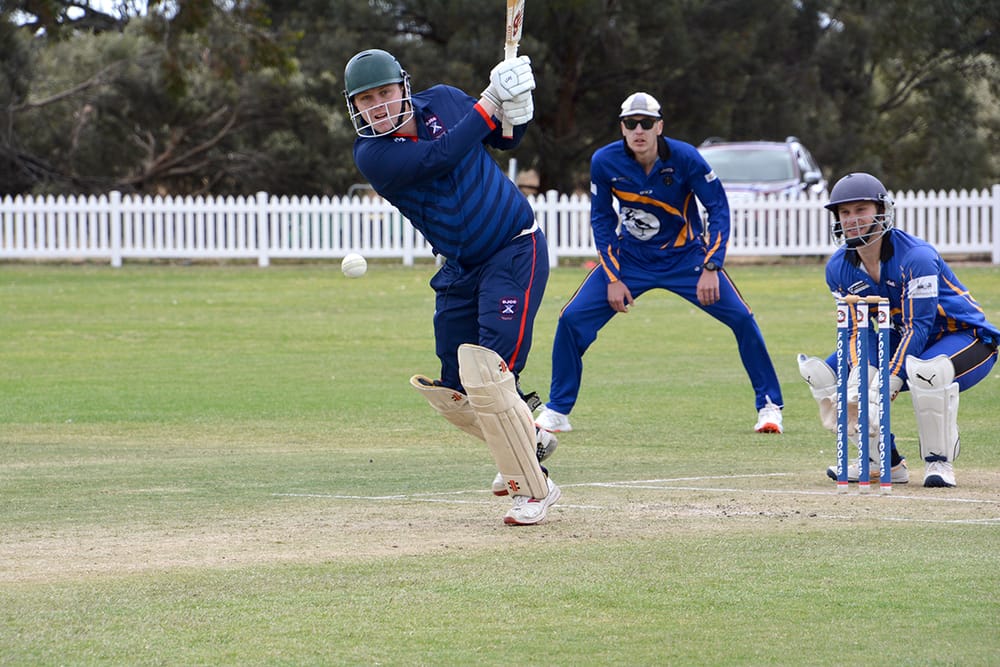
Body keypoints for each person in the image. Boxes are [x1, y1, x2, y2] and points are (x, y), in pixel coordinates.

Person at [343, 49, 560, 525]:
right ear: (354, 106)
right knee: (454, 389)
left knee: (489, 371)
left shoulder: (444, 99)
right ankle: (527, 437)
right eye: (366, 100)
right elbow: (440, 156)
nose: (378, 106)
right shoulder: (373, 155)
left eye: (384, 93)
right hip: (460, 266)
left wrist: (518, 106)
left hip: (512, 248)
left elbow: (503, 138)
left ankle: (533, 487)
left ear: (404, 87)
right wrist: (491, 100)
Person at [534, 92, 785, 435]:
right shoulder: (604, 161)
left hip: (686, 259)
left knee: (742, 318)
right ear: (622, 128)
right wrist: (613, 278)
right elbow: (602, 220)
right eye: (631, 123)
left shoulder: (686, 158)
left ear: (659, 126)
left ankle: (769, 407)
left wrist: (711, 266)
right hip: (631, 260)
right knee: (571, 319)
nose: (639, 130)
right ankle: (558, 410)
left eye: (646, 123)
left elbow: (718, 208)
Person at [797, 172, 999, 487]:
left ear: (882, 211)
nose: (852, 219)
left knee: (927, 372)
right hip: (904, 337)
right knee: (826, 376)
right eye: (844, 212)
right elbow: (855, 331)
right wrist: (860, 377)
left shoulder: (916, 257)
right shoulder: (838, 267)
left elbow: (919, 324)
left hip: (964, 337)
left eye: (861, 210)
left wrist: (889, 380)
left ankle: (938, 462)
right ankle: (883, 462)